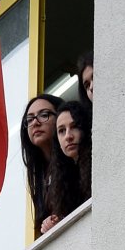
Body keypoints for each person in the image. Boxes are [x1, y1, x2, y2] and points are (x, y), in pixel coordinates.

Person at [41, 99, 92, 231]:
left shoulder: (97, 162)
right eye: (61, 131)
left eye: (74, 127)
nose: (68, 136)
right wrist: (54, 223)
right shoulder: (62, 177)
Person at [20, 96, 64, 236]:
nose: (35, 123)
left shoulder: (74, 159)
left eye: (44, 115)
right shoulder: (40, 174)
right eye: (30, 119)